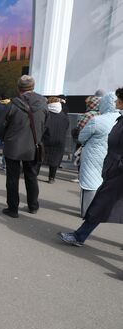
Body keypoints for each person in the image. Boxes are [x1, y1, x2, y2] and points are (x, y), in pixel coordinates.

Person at [59, 88, 123, 246]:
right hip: (112, 166)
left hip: (117, 170)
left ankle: (79, 236)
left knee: (100, 202)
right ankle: (79, 235)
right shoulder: (119, 119)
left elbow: (82, 136)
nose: (115, 102)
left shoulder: (101, 119)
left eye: (118, 99)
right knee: (102, 202)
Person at [0, 75, 48, 218]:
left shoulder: (13, 104)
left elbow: (2, 126)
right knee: (32, 176)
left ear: (18, 88)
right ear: (33, 86)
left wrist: (6, 138)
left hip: (13, 145)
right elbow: (45, 125)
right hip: (33, 145)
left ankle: (13, 209)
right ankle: (33, 206)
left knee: (12, 179)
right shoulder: (43, 103)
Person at [77, 92, 119, 217]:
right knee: (105, 183)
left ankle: (87, 213)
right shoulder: (119, 120)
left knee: (89, 184)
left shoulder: (97, 120)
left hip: (92, 155)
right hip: (111, 156)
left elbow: (81, 137)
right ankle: (102, 211)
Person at [39, 97, 70, 183]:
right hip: (60, 140)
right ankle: (51, 178)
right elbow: (66, 127)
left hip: (46, 139)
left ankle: (35, 173)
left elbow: (42, 127)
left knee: (39, 157)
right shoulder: (64, 116)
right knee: (55, 160)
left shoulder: (46, 114)